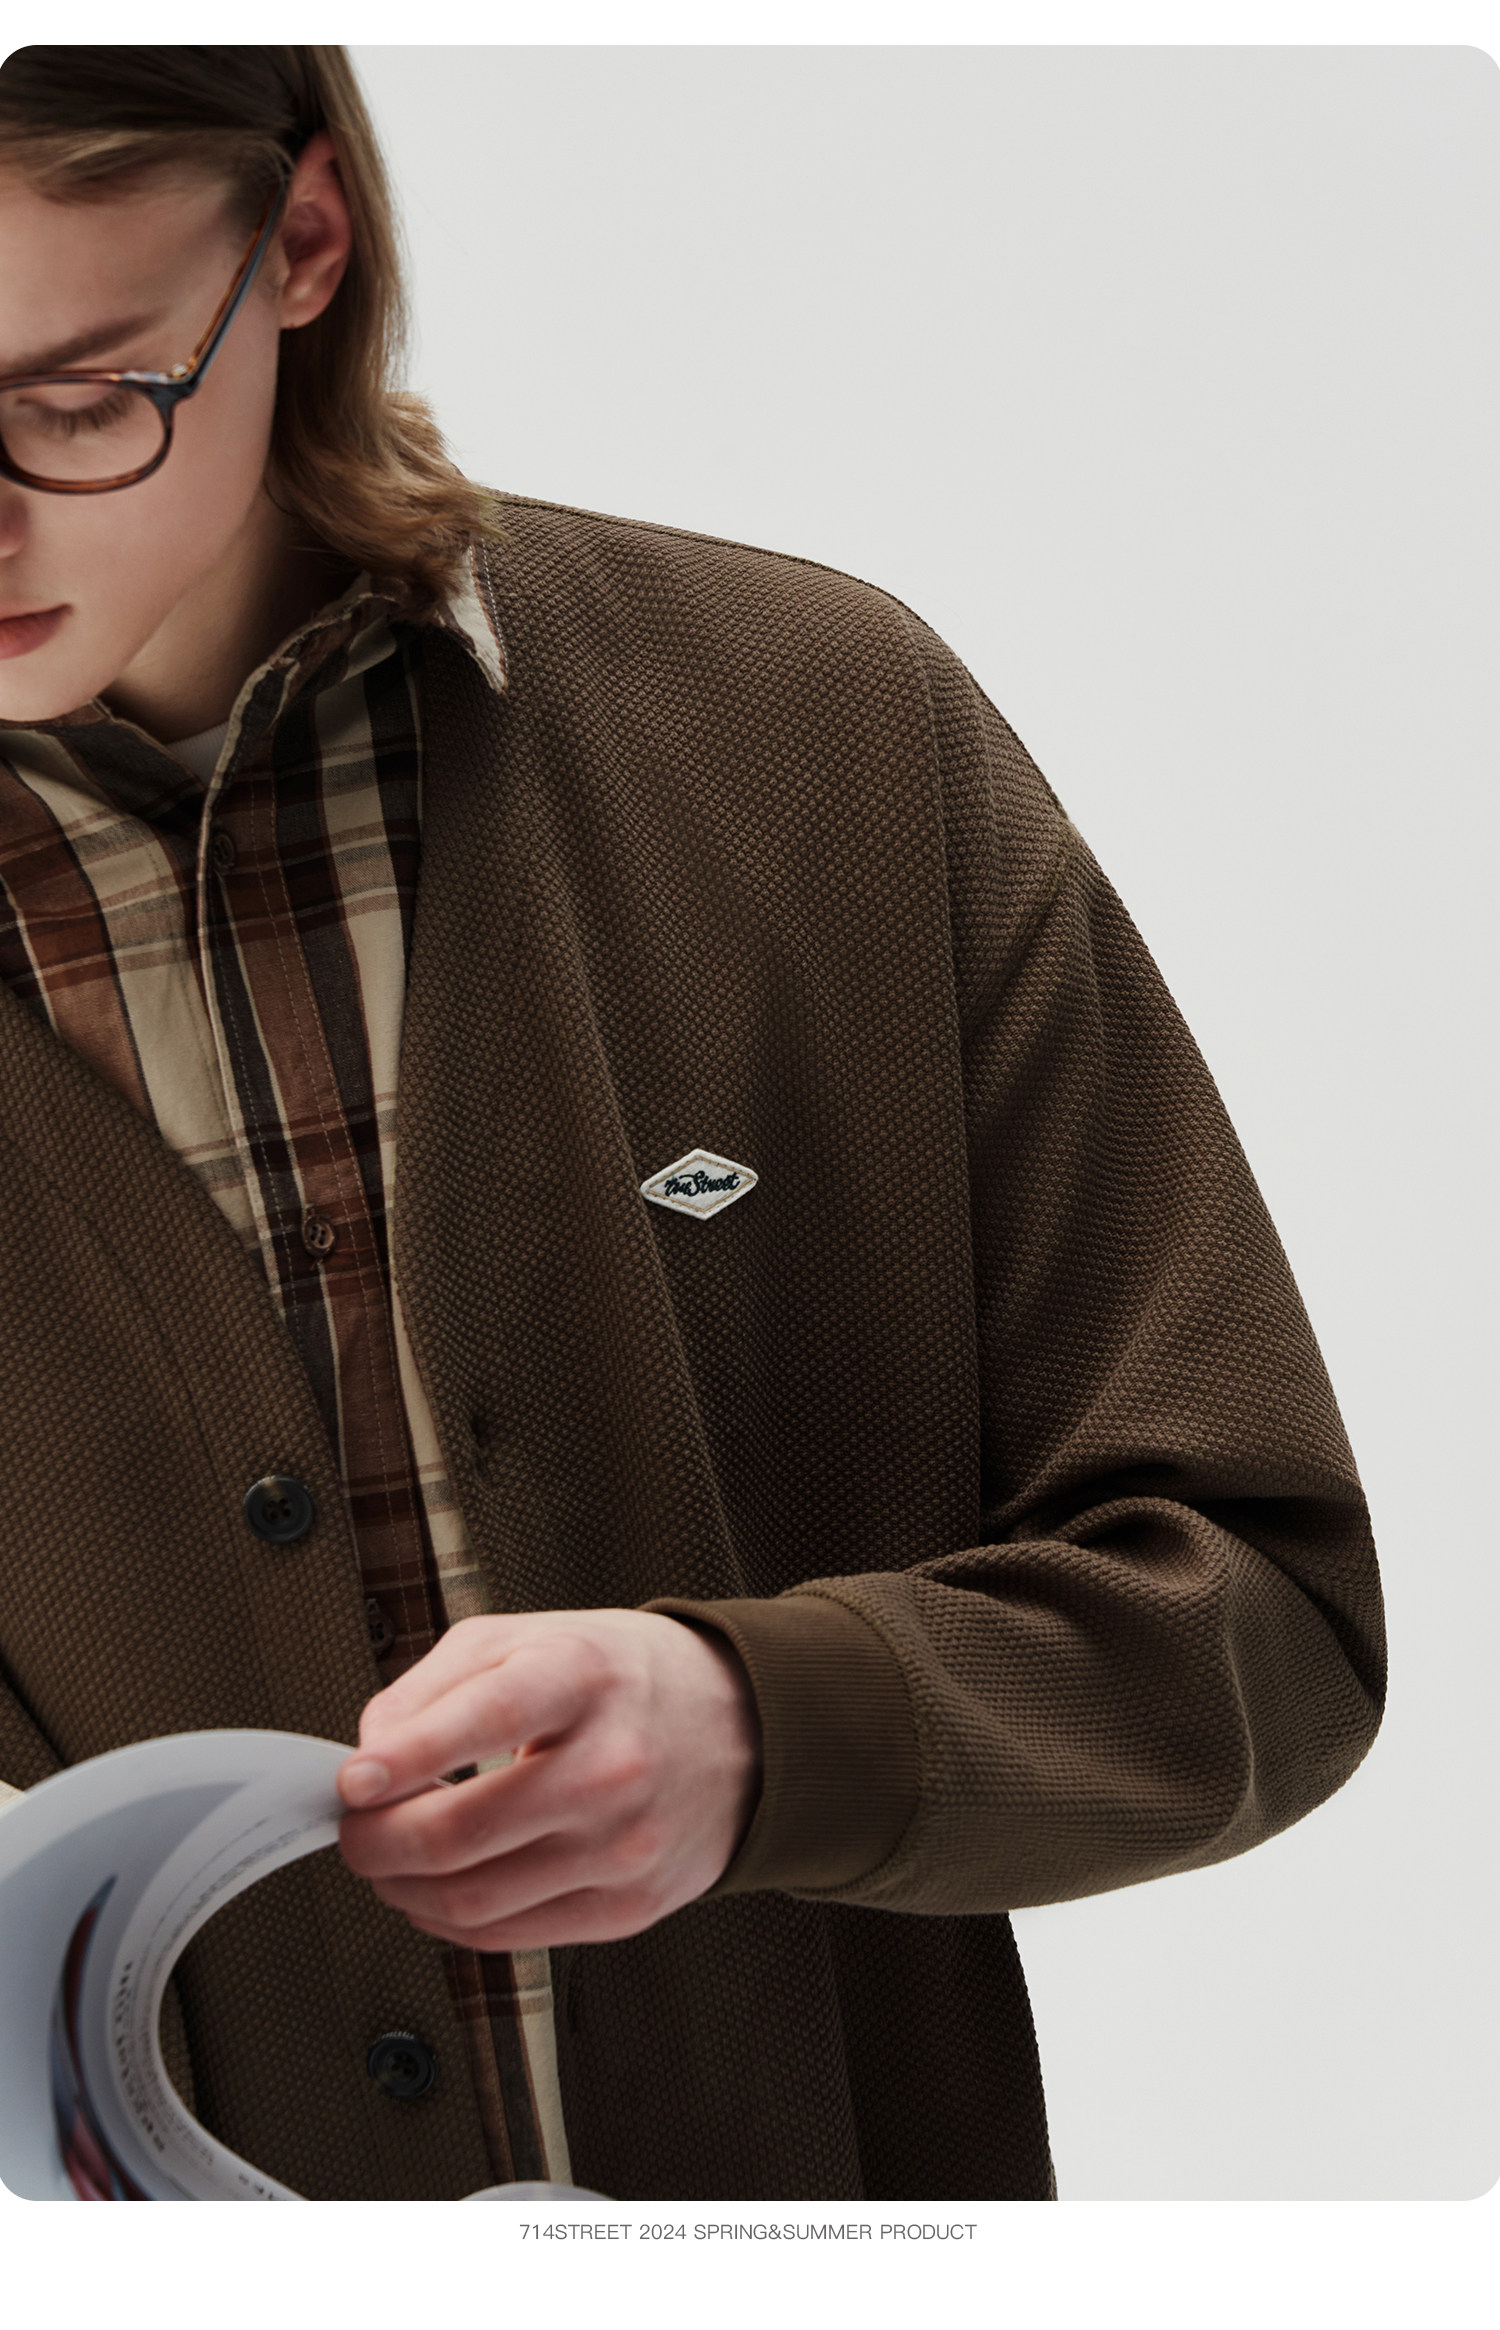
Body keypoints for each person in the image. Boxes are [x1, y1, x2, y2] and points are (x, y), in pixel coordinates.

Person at [0, 45, 1385, 2204]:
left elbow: (1264, 1622)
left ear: (302, 241)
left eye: (79, 401)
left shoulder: (821, 736)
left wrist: (762, 1729)